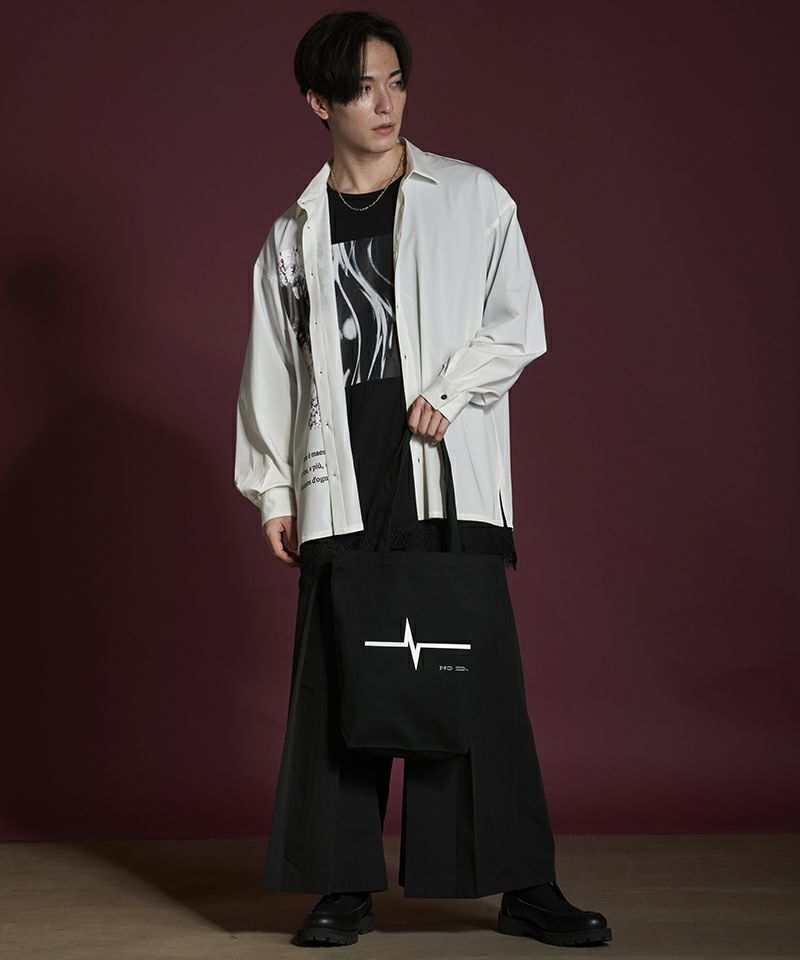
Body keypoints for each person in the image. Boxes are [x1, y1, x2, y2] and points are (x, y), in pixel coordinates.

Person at [233, 10, 613, 950]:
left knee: (472, 681)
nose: (386, 102)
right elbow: (273, 370)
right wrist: (275, 490)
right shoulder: (290, 236)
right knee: (340, 686)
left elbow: (518, 320)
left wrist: (450, 390)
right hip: (340, 484)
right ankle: (342, 888)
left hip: (448, 482)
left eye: (396, 81)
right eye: (363, 87)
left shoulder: (471, 197)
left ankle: (523, 887)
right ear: (318, 102)